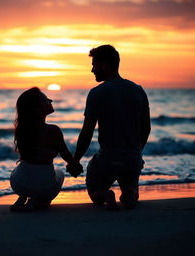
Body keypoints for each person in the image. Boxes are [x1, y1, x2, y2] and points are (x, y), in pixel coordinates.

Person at [73, 45, 151, 210]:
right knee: (130, 186)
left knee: (94, 190)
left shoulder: (97, 93)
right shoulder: (138, 91)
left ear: (105, 65)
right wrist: (137, 151)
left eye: (94, 65)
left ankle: (104, 195)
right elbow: (146, 128)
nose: (92, 70)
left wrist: (76, 160)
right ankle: (130, 193)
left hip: (109, 159)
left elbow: (87, 131)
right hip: (133, 159)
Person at [10, 87, 82, 211]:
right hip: (45, 186)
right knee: (59, 173)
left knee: (21, 169)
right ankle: (36, 201)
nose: (51, 101)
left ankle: (22, 197)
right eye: (46, 100)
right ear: (36, 109)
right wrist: (75, 166)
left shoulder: (22, 130)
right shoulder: (53, 130)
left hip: (19, 184)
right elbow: (66, 156)